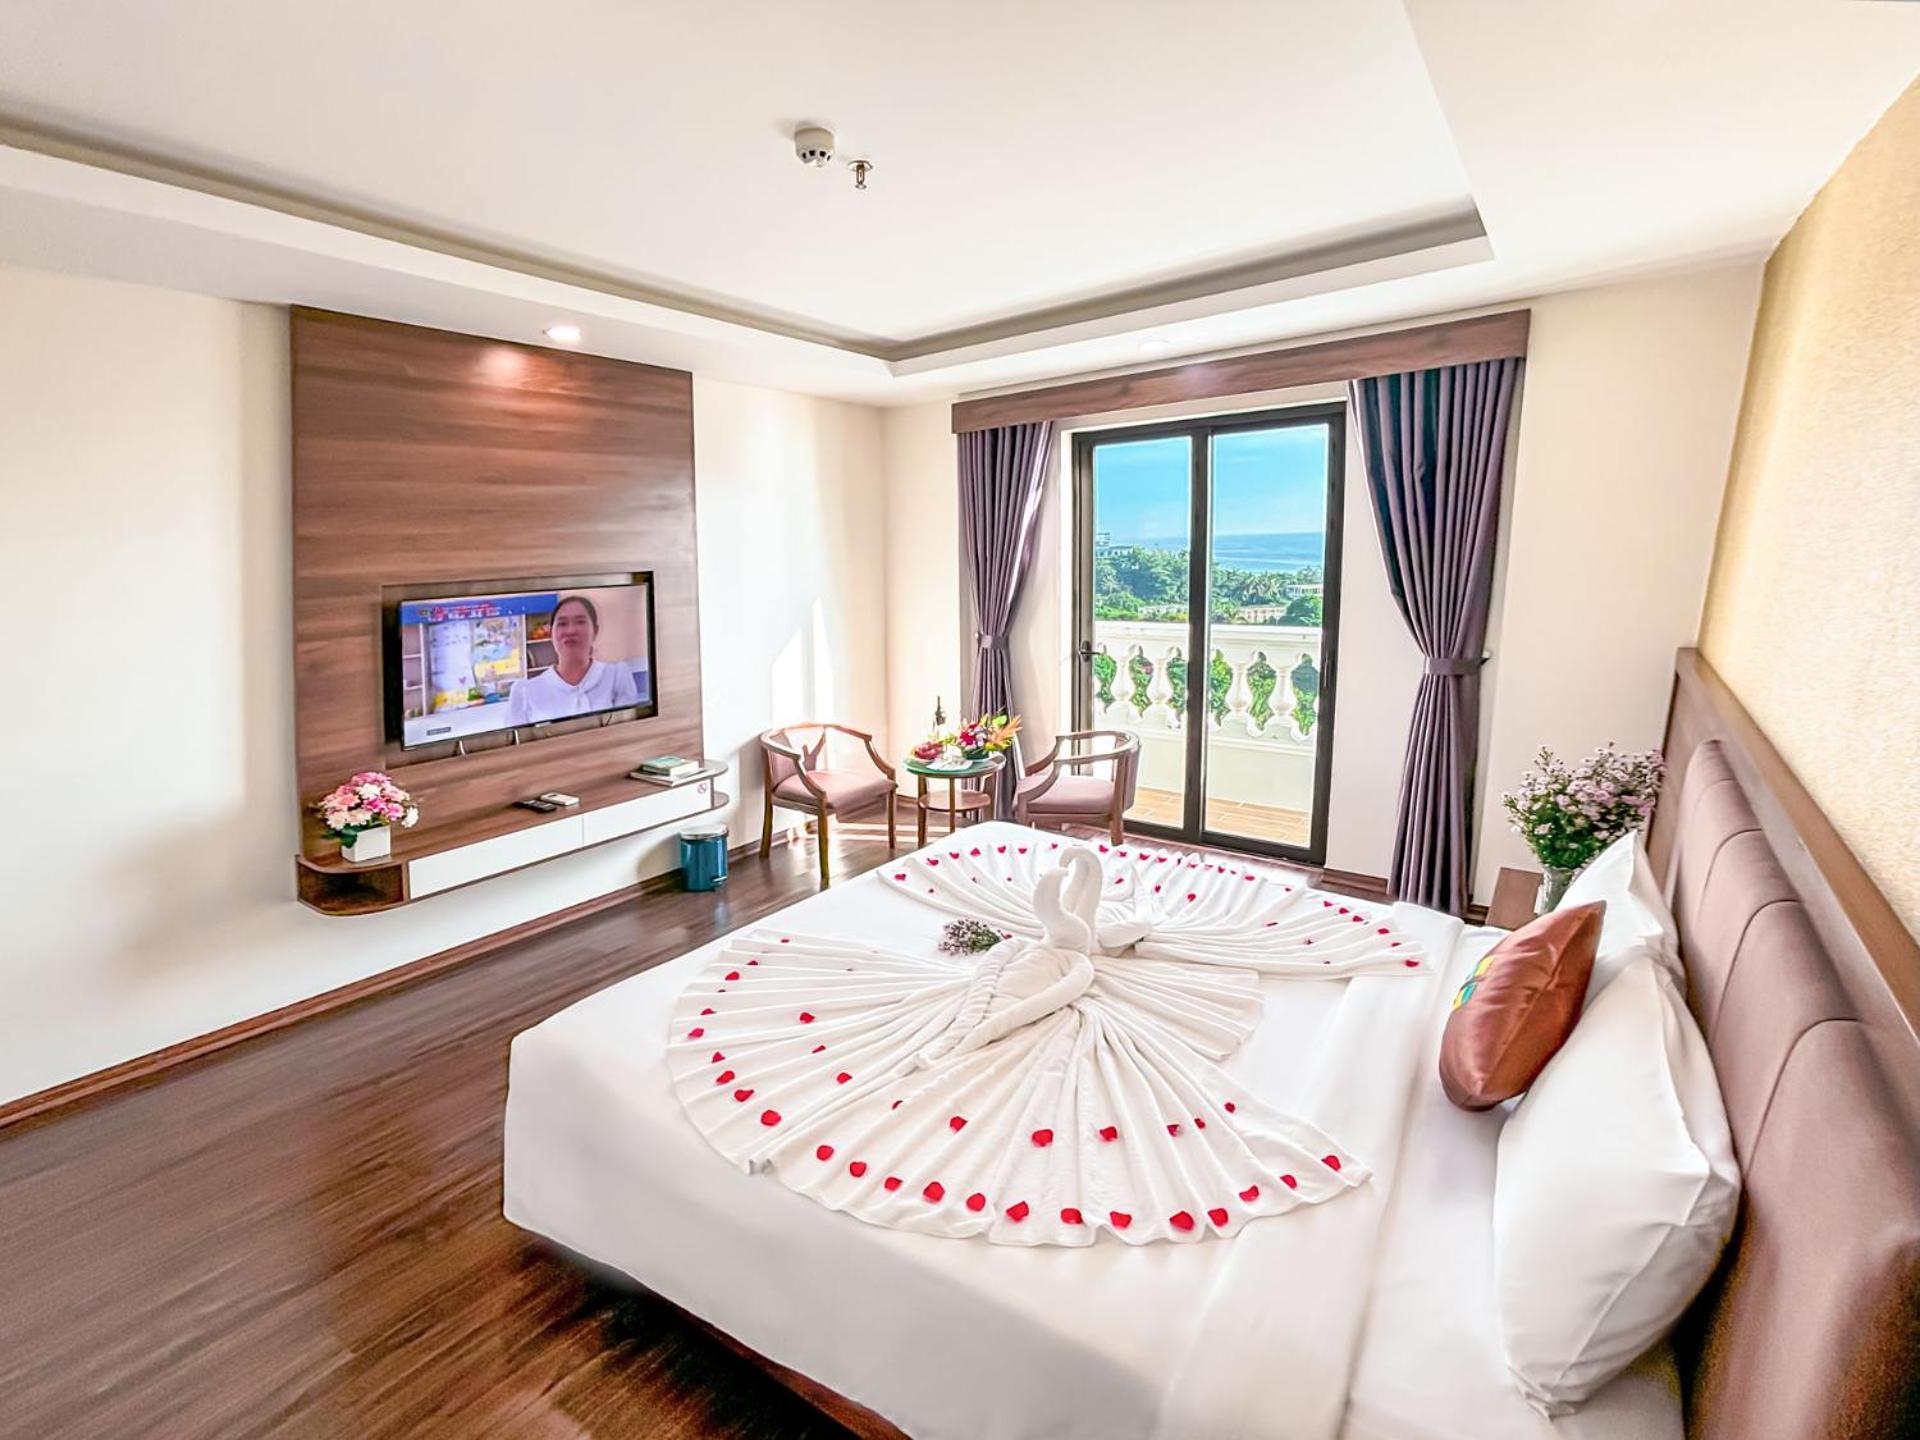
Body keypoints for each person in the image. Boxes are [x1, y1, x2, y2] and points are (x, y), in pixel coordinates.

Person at [505, 595, 641, 726]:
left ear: (595, 631)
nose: (570, 631)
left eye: (580, 622)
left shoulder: (617, 676)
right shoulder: (525, 691)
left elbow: (625, 732)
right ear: (551, 633)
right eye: (562, 623)